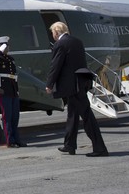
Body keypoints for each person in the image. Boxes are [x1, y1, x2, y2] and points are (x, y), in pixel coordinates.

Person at [45, 21, 108, 157]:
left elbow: (56, 65)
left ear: (56, 32)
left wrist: (50, 84)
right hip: (80, 83)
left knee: (87, 116)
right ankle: (70, 145)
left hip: (72, 86)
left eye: (53, 33)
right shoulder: (77, 42)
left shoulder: (60, 44)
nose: (53, 36)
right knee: (72, 116)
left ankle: (100, 148)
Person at [0, 36, 25, 147]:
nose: (7, 48)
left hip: (13, 90)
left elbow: (13, 76)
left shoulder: (9, 59)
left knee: (15, 116)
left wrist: (16, 91)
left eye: (7, 46)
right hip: (3, 91)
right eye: (5, 46)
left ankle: (17, 139)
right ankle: (10, 141)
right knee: (7, 116)